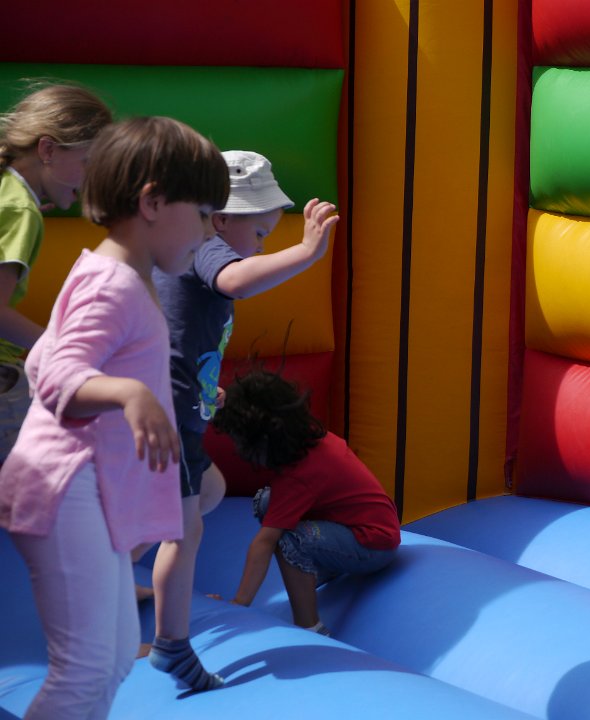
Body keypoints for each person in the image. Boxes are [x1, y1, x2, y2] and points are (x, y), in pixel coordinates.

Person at [0, 116, 229, 719]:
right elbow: (56, 375)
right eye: (203, 213)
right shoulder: (113, 284)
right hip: (62, 489)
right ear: (152, 203)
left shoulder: (120, 275)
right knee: (86, 669)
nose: (208, 230)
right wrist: (129, 393)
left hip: (82, 491)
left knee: (115, 655)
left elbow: (44, 353)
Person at [146, 151, 338, 688]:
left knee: (207, 491)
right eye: (259, 234)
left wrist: (204, 385)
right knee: (185, 529)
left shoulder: (191, 248)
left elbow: (180, 332)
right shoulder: (207, 245)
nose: (260, 246)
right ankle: (171, 646)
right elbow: (237, 282)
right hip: (169, 410)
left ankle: (114, 575)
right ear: (222, 218)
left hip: (179, 401)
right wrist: (305, 251)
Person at [211, 367, 401, 633]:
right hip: (358, 524)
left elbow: (264, 543)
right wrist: (223, 401)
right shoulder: (303, 435)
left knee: (289, 539)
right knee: (266, 502)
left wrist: (238, 604)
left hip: (373, 545)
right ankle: (322, 568)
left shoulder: (299, 474)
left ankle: (310, 625)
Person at [0, 83, 112, 461]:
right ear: (47, 149)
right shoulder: (20, 210)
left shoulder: (10, 194)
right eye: (88, 163)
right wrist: (60, 349)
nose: (91, 181)